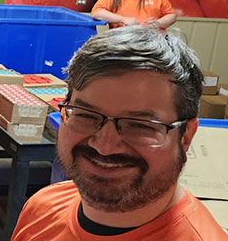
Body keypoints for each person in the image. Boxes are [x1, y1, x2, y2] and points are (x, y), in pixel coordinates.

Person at [12, 26, 226, 240]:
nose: (104, 146)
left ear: (186, 135)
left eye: (141, 125)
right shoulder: (41, 209)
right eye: (86, 115)